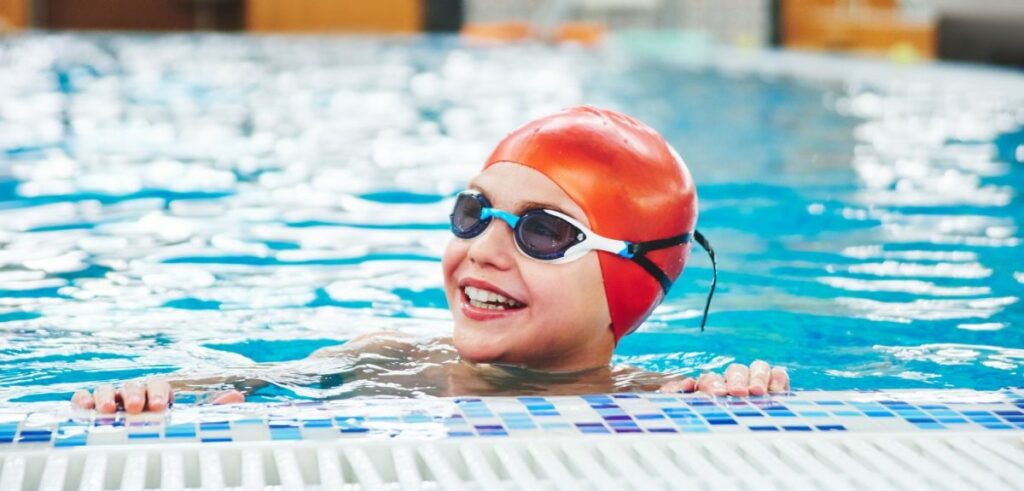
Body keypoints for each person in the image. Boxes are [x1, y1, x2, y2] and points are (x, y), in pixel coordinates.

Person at [71, 106, 789, 414]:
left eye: (543, 232)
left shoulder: (661, 400)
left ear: (630, 283)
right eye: (473, 212)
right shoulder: (383, 359)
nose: (483, 247)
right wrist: (151, 395)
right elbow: (235, 383)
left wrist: (747, 396)